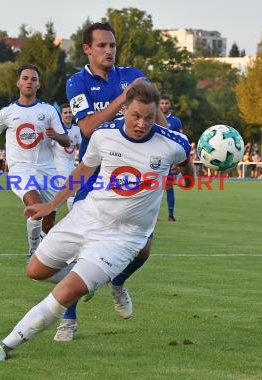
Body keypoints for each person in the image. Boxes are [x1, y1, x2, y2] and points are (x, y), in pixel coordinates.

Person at [0, 80, 195, 362]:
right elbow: (83, 171)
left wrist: (193, 173)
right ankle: (93, 281)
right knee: (34, 270)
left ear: (157, 113)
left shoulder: (173, 143)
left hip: (124, 237)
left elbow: (188, 174)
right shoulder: (104, 135)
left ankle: (6, 344)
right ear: (124, 109)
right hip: (87, 216)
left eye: (148, 117)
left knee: (66, 292)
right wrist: (50, 205)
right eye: (135, 116)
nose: (141, 123)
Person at [55, 21, 168, 342]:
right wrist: (123, 98)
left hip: (132, 181)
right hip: (92, 177)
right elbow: (88, 127)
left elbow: (157, 124)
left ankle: (117, 282)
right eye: (102, 46)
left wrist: (155, 110)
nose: (108, 51)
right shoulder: (76, 83)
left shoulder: (133, 76)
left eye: (112, 46)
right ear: (87, 49)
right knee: (81, 253)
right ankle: (68, 318)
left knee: (143, 249)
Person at [0, 63, 70, 257]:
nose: (29, 82)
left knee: (48, 220)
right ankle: (34, 252)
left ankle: (46, 250)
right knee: (36, 208)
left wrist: (56, 136)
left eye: (34, 79)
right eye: (26, 78)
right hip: (20, 169)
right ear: (18, 83)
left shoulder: (48, 111)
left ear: (39, 85)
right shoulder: (7, 112)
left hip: (47, 170)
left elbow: (67, 140)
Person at [159, 94, 184, 222]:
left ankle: (170, 214)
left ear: (170, 105)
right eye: (162, 103)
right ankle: (151, 215)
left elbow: (180, 141)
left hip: (169, 159)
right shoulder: (151, 118)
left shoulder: (176, 121)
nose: (164, 105)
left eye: (166, 103)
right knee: (150, 188)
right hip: (154, 157)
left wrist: (178, 162)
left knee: (169, 186)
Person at [51, 103, 81, 208]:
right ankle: (73, 220)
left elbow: (80, 146)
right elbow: (49, 148)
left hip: (72, 166)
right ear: (61, 115)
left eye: (70, 112)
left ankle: (47, 218)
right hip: (59, 167)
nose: (68, 115)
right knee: (72, 192)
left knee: (58, 198)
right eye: (65, 113)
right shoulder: (56, 130)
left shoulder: (77, 129)